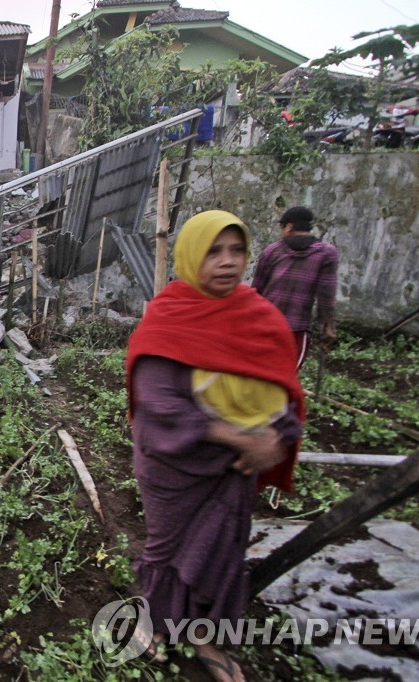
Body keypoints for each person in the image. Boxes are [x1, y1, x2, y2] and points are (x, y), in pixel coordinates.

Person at [125, 210, 305, 682]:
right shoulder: (170, 316)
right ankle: (157, 624)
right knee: (167, 548)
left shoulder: (259, 317)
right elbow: (160, 404)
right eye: (213, 251)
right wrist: (241, 438)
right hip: (175, 464)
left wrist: (277, 439)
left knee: (224, 549)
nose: (227, 262)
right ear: (190, 255)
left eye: (236, 250)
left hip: (236, 468)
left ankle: (206, 636)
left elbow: (281, 385)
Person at [251, 206, 339, 369]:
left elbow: (256, 290)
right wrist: (328, 327)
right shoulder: (326, 254)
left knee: (258, 369)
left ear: (289, 227)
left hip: (266, 324)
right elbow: (326, 296)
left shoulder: (272, 251)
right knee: (287, 375)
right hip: (296, 328)